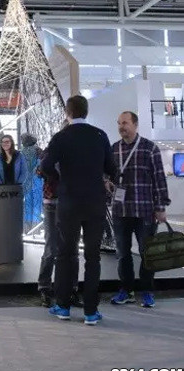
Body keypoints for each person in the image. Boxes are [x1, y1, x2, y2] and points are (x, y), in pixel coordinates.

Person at [41, 96, 117, 325]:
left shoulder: (61, 137)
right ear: (86, 111)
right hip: (94, 202)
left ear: (68, 112)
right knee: (93, 257)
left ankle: (63, 306)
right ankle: (91, 312)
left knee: (66, 253)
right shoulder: (100, 135)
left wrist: (61, 179)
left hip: (69, 202)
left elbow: (45, 166)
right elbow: (111, 168)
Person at [109, 112, 170, 308]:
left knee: (147, 253)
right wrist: (106, 182)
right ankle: (126, 290)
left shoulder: (149, 148)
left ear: (135, 124)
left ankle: (147, 291)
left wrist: (160, 207)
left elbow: (159, 179)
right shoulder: (113, 149)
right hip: (121, 211)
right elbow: (106, 174)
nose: (121, 126)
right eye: (119, 123)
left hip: (145, 211)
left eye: (125, 123)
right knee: (122, 254)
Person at [36, 146, 81, 308]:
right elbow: (39, 171)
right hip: (52, 203)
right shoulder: (50, 152)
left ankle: (71, 289)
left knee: (72, 248)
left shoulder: (76, 152)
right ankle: (45, 288)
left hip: (71, 203)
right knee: (51, 247)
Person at [20, 133, 43, 228]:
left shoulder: (21, 152)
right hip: (37, 180)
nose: (22, 142)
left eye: (22, 140)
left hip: (27, 181)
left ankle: (27, 226)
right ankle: (35, 227)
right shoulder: (39, 151)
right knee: (36, 203)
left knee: (28, 203)